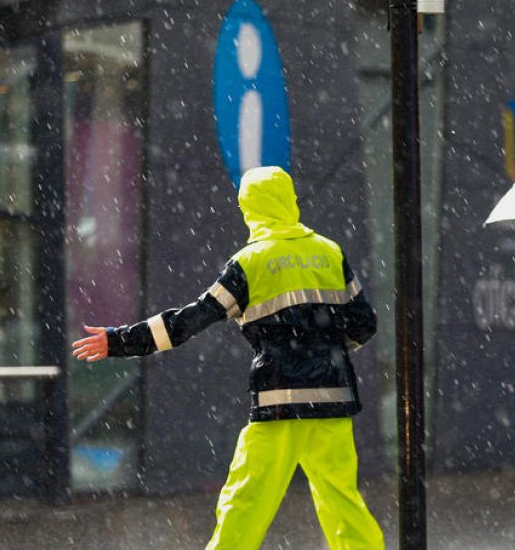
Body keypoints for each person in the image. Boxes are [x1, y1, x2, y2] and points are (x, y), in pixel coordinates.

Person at [71, 166, 384, 550]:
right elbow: (365, 323)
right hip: (333, 399)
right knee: (342, 504)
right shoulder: (329, 252)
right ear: (290, 201)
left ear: (250, 209)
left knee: (245, 502)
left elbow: (189, 321)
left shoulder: (248, 264)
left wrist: (120, 340)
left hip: (279, 404)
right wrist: (327, 349)